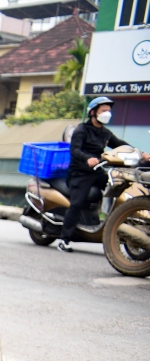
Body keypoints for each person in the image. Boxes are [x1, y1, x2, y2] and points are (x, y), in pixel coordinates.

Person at [58, 96, 130, 253]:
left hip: (98, 172)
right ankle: (64, 239)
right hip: (80, 173)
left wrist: (139, 152)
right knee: (76, 203)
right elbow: (75, 150)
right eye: (103, 111)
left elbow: (119, 144)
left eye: (109, 111)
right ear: (93, 112)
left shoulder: (105, 133)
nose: (107, 114)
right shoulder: (81, 130)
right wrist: (87, 158)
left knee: (119, 188)